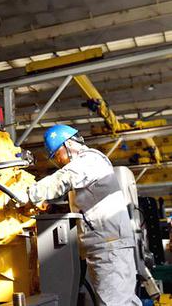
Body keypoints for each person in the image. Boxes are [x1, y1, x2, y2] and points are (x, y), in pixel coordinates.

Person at [20, 124, 141, 306]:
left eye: (57, 154)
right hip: (103, 247)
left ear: (68, 144)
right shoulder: (85, 168)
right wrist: (52, 209)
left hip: (109, 247)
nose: (58, 161)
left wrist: (29, 193)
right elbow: (86, 209)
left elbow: (63, 179)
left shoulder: (90, 160)